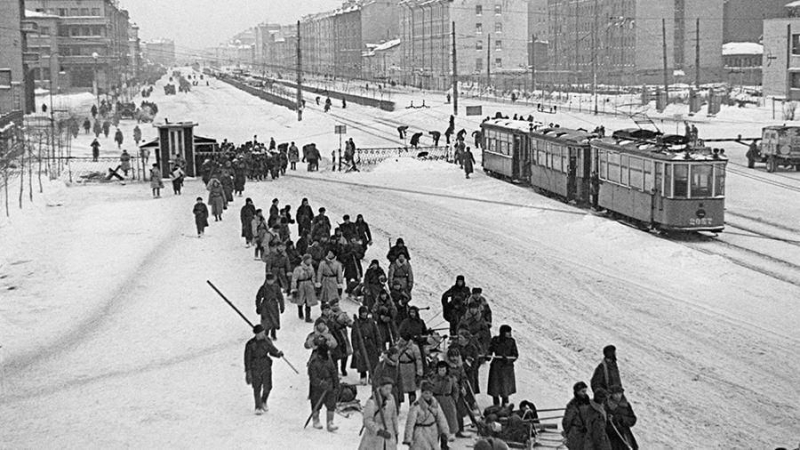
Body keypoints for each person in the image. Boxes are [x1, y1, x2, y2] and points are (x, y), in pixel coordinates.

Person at [244, 324, 284, 414]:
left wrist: (278, 354)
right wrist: (248, 371)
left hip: (266, 365)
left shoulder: (267, 341)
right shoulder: (250, 344)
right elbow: (247, 358)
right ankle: (258, 406)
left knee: (268, 386)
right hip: (255, 366)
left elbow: (272, 351)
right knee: (257, 387)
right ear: (256, 334)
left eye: (263, 332)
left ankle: (264, 401)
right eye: (261, 333)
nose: (263, 334)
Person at [403, 381, 454, 449]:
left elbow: (441, 419)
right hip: (420, 434)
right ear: (422, 393)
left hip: (432, 432)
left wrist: (447, 433)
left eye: (430, 393)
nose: (428, 395)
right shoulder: (416, 406)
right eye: (426, 393)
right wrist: (408, 438)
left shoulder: (435, 404)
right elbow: (410, 423)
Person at [359, 377, 400, 450]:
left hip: (389, 433)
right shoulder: (372, 402)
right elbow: (367, 420)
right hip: (374, 437)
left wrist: (396, 432)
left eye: (390, 389)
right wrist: (378, 431)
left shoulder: (391, 399)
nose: (388, 391)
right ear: (381, 387)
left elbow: (394, 416)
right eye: (386, 388)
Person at [307, 343, 340, 431]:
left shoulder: (329, 359)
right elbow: (313, 378)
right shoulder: (314, 362)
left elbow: (333, 372)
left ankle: (330, 422)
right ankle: (316, 420)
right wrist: (322, 383)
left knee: (331, 403)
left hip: (329, 385)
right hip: (317, 388)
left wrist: (336, 384)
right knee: (316, 403)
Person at [428, 361, 459, 448]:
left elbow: (455, 390)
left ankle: (444, 443)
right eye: (440, 370)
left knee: (446, 424)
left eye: (443, 370)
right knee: (435, 424)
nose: (442, 372)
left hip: (447, 403)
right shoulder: (432, 379)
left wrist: (453, 400)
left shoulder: (451, 379)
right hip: (436, 401)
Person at [486, 325, 518, 407]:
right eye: (508, 332)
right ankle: (496, 403)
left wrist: (508, 359)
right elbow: (490, 349)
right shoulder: (495, 340)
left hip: (506, 367)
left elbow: (515, 355)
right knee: (495, 386)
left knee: (505, 386)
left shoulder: (511, 342)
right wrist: (488, 355)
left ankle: (505, 403)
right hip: (496, 366)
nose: (510, 334)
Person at [351, 305, 381, 385]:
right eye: (362, 313)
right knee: (362, 361)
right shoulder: (356, 324)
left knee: (373, 361)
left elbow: (377, 334)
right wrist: (356, 349)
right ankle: (363, 376)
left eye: (365, 312)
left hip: (371, 344)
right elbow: (354, 337)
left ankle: (372, 377)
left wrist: (379, 346)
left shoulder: (371, 322)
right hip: (361, 344)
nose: (364, 314)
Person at [605, 385, 638, 450]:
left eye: (619, 393)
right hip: (612, 437)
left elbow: (633, 419)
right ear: (611, 394)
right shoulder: (606, 406)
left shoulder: (626, 405)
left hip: (625, 436)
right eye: (615, 394)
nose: (618, 396)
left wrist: (622, 419)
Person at [397, 332, 423, 406]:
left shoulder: (414, 347)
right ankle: (398, 405)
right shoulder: (398, 346)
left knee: (411, 389)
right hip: (401, 368)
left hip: (410, 369)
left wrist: (419, 371)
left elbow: (418, 359)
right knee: (399, 388)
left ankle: (412, 405)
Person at [256, 273, 285, 340]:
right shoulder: (263, 288)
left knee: (274, 319)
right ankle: (265, 334)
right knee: (266, 320)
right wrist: (258, 307)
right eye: (269, 280)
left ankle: (273, 334)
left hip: (274, 304)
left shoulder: (276, 287)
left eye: (271, 280)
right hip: (265, 305)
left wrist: (282, 306)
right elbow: (258, 297)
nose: (270, 282)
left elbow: (280, 297)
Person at [562, 381, 590, 450]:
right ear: (577, 392)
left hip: (586, 434)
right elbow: (567, 421)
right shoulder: (572, 405)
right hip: (576, 435)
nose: (585, 393)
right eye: (582, 391)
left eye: (585, 391)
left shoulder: (588, 403)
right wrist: (569, 433)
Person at [291, 254, 318, 323]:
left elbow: (313, 277)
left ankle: (308, 317)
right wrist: (294, 288)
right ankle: (300, 312)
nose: (310, 261)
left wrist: (314, 285)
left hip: (309, 286)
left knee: (308, 302)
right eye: (309, 259)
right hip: (301, 286)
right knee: (300, 300)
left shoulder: (311, 268)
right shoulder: (298, 269)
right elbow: (294, 279)